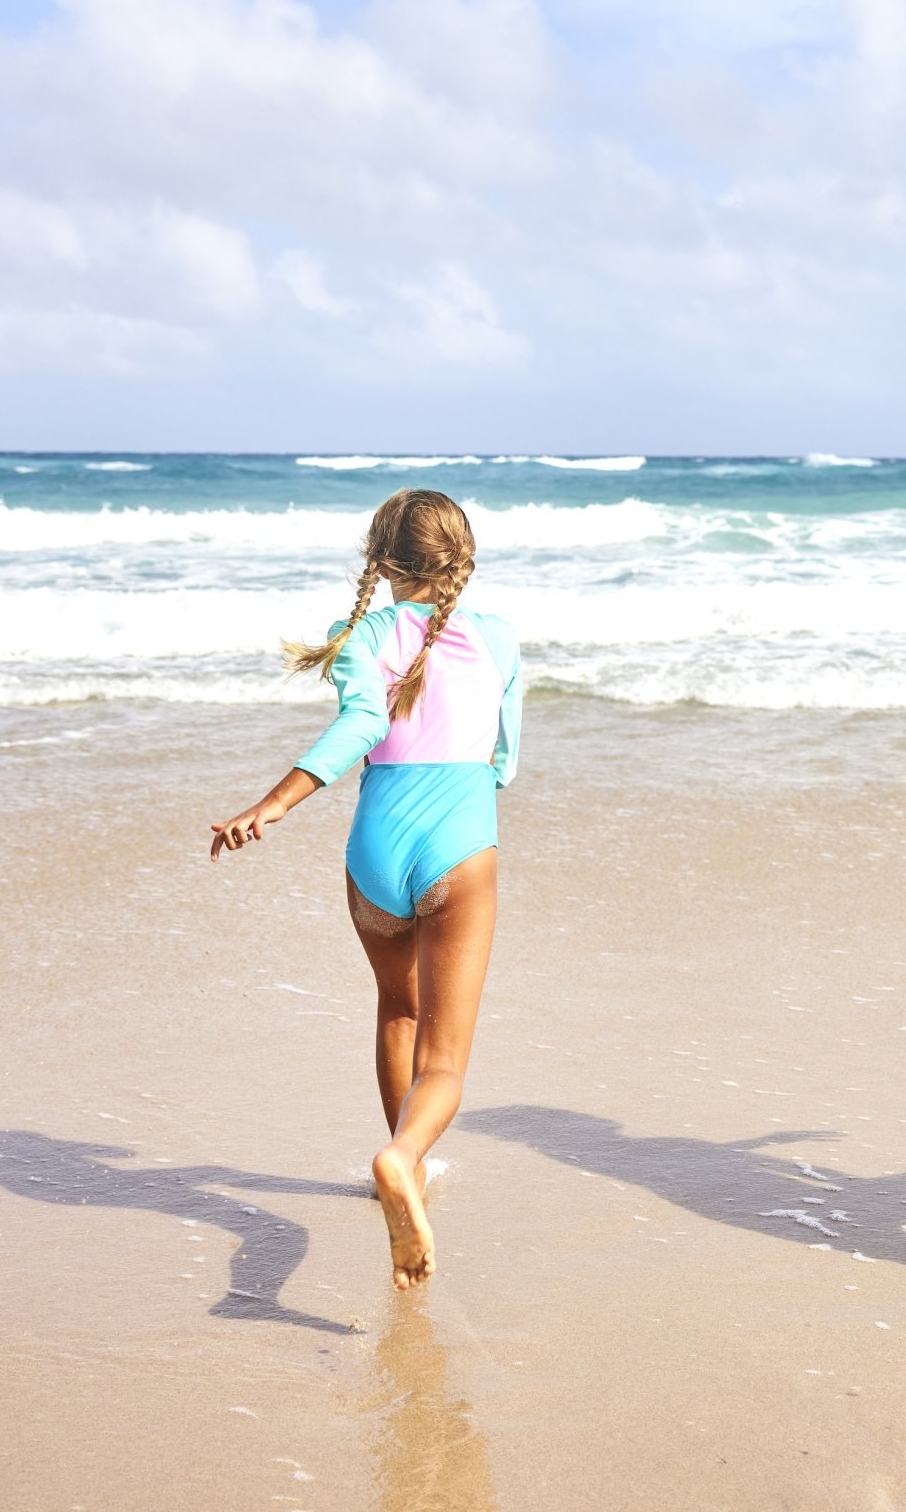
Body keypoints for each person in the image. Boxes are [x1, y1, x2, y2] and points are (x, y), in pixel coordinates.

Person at [209, 488, 524, 1292]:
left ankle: (405, 1170)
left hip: (375, 849)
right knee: (446, 1060)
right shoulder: (498, 638)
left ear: (381, 561)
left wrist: (272, 804)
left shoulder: (356, 634)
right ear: (463, 555)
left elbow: (362, 723)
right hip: (459, 841)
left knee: (398, 1008)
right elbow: (506, 758)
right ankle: (403, 1155)